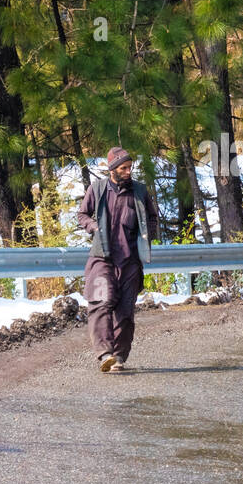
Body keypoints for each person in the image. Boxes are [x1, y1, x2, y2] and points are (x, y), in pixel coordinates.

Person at [76, 147, 160, 373]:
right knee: (101, 302)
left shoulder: (139, 191)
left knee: (125, 310)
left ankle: (119, 356)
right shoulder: (98, 189)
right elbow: (82, 214)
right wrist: (93, 227)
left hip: (130, 260)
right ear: (112, 169)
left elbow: (152, 217)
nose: (128, 171)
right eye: (124, 168)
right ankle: (104, 354)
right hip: (102, 258)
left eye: (130, 167)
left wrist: (147, 235)